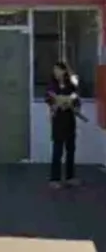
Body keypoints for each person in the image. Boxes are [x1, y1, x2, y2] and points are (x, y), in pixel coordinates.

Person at [45, 61, 81, 190]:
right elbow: (49, 98)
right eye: (54, 70)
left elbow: (76, 98)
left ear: (64, 71)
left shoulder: (70, 85)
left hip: (69, 119)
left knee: (70, 149)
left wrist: (72, 103)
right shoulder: (52, 85)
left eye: (58, 70)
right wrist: (56, 102)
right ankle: (55, 178)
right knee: (57, 150)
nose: (56, 72)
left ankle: (70, 177)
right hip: (58, 120)